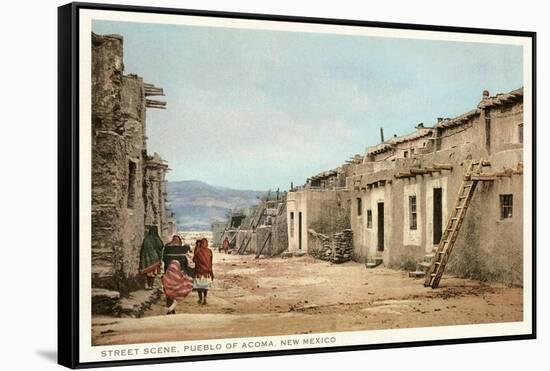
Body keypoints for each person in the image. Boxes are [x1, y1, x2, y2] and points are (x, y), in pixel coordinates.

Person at [193, 238, 214, 305]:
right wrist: (211, 271)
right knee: (205, 286)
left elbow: (194, 259)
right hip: (207, 271)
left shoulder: (198, 251)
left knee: (199, 286)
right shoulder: (209, 251)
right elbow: (211, 262)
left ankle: (201, 298)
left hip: (199, 271)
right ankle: (204, 298)